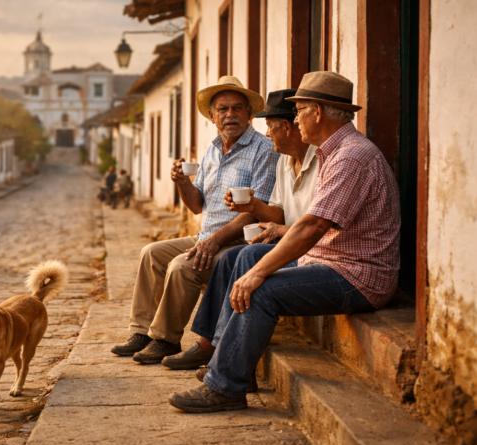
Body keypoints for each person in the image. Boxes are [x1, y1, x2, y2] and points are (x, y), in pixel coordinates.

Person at [168, 71, 401, 413]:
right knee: (240, 259)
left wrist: (259, 274)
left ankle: (226, 387)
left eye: (299, 110)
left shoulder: (350, 156)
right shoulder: (330, 152)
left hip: (357, 276)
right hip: (327, 261)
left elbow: (313, 225)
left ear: (317, 113)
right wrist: (256, 265)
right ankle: (226, 359)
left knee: (259, 288)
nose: (295, 119)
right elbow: (306, 225)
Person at [111, 76, 279, 364]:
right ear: (212, 116)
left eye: (238, 108)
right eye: (223, 109)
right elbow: (198, 205)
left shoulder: (263, 149)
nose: (230, 115)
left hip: (238, 240)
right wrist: (182, 183)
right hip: (206, 235)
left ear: (249, 114)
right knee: (151, 253)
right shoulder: (212, 149)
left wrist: (213, 242)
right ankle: (142, 332)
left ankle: (165, 340)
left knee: (181, 267)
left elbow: (255, 209)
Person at [161, 89, 319, 380]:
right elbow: (278, 210)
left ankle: (219, 360)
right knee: (219, 259)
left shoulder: (309, 159)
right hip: (259, 237)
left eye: (269, 127)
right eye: (222, 109)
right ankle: (207, 346)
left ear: (286, 127)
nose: (267, 134)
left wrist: (270, 223)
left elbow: (314, 227)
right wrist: (256, 206)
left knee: (236, 259)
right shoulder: (284, 160)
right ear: (213, 115)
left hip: (308, 250)